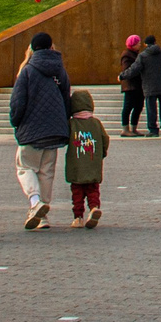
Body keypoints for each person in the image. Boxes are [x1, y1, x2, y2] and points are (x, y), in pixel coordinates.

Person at [8, 32, 71, 230]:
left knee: (25, 167)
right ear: (51, 47)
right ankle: (43, 216)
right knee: (46, 172)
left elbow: (18, 101)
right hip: (54, 129)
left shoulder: (27, 70)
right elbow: (66, 98)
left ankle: (35, 202)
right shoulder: (59, 70)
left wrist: (16, 121)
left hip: (32, 129)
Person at [65, 88, 109, 227]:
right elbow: (105, 139)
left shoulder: (71, 124)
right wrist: (101, 154)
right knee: (93, 189)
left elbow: (64, 138)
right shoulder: (96, 123)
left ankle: (78, 217)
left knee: (77, 192)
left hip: (76, 166)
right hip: (93, 164)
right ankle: (94, 207)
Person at [137, 33, 161, 138]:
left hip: (150, 86)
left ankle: (153, 130)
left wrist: (122, 76)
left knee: (151, 109)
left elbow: (135, 68)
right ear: (155, 42)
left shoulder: (143, 56)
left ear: (145, 44)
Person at [117, 35, 144, 136]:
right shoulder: (127, 55)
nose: (140, 44)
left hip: (138, 85)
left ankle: (134, 128)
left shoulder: (137, 54)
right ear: (133, 44)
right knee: (128, 107)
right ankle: (125, 129)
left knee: (138, 106)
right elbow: (127, 70)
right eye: (138, 43)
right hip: (130, 86)